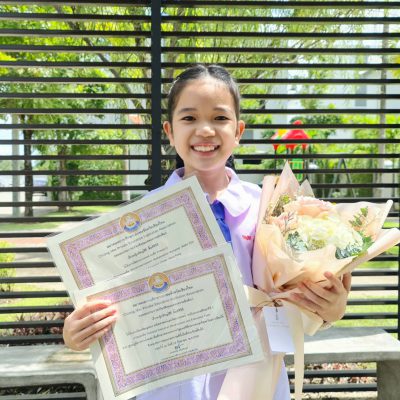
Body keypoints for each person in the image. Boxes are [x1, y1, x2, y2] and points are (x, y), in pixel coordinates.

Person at [63, 64, 352, 399]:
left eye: (219, 118)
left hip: (255, 382)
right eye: (189, 118)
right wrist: (78, 331)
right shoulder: (138, 221)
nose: (204, 130)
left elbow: (297, 300)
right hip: (170, 386)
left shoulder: (272, 209)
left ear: (238, 131)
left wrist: (330, 310)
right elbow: (117, 308)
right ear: (170, 132)